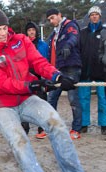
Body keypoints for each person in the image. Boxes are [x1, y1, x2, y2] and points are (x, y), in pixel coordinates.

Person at [0, 6, 106, 172]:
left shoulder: (20, 40)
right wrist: (30, 85)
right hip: (2, 103)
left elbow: (38, 62)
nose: (2, 33)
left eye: (4, 27)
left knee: (57, 123)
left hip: (26, 97)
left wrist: (57, 76)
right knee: (20, 142)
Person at [46, 8, 82, 140]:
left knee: (73, 99)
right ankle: (52, 126)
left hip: (71, 67)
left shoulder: (70, 25)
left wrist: (68, 45)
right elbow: (50, 52)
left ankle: (76, 128)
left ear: (60, 15)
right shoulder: (54, 34)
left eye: (53, 17)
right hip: (57, 69)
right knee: (51, 98)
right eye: (49, 19)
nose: (51, 21)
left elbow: (74, 37)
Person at [79, 6, 106, 135]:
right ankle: (84, 124)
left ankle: (104, 124)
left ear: (100, 16)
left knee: (103, 99)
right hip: (85, 71)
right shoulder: (83, 33)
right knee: (84, 99)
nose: (94, 16)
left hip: (101, 72)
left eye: (96, 14)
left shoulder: (105, 32)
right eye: (92, 14)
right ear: (89, 17)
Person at [23, 21, 49, 139]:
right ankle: (24, 128)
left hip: (39, 76)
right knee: (24, 101)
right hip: (26, 76)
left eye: (33, 30)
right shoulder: (22, 44)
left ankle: (42, 128)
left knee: (41, 102)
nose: (31, 32)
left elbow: (45, 60)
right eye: (29, 30)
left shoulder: (43, 45)